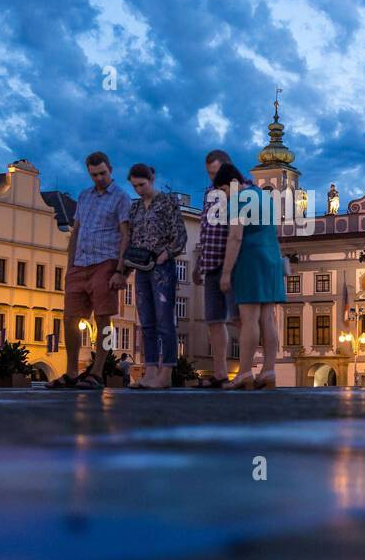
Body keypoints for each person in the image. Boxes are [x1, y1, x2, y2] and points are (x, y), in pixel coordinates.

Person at [51, 151, 130, 389]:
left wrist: (120, 269)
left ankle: (97, 371)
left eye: (103, 173)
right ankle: (72, 371)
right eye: (94, 174)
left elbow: (126, 234)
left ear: (111, 170)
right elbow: (76, 231)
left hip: (105, 262)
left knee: (103, 318)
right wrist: (69, 265)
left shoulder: (121, 197)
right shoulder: (84, 196)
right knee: (69, 319)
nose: (99, 178)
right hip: (80, 264)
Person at [216, 162, 285, 389]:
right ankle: (269, 371)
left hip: (251, 260)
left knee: (249, 319)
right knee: (268, 318)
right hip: (272, 258)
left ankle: (244, 372)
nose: (224, 196)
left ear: (231, 184)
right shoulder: (264, 197)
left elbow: (235, 237)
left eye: (224, 191)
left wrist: (226, 273)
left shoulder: (239, 199)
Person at [126, 163, 187, 389]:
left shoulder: (168, 202)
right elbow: (131, 236)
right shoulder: (135, 208)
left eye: (141, 185)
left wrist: (166, 254)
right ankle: (149, 370)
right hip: (141, 266)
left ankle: (166, 372)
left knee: (165, 320)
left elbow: (180, 236)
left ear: (152, 178)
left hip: (162, 266)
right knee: (146, 322)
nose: (139, 190)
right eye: (134, 186)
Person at [192, 149, 244, 387]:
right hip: (210, 262)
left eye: (214, 173)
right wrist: (198, 262)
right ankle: (221, 371)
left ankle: (245, 370)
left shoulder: (243, 190)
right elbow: (205, 229)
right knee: (214, 319)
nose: (211, 179)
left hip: (233, 263)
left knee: (239, 318)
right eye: (208, 174)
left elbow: (237, 232)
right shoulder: (209, 192)